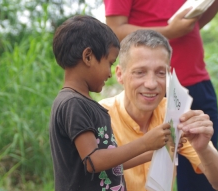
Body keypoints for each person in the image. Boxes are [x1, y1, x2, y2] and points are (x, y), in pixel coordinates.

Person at [103, 0, 218, 190]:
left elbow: (193, 23)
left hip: (197, 78)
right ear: (119, 73)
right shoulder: (102, 113)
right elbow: (114, 31)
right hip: (160, 89)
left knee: (202, 179)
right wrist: (170, 32)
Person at [49, 15, 176, 191]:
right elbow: (94, 161)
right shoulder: (73, 104)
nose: (110, 74)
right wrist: (145, 143)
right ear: (88, 57)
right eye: (109, 63)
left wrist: (154, 150)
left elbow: (111, 162)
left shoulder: (85, 103)